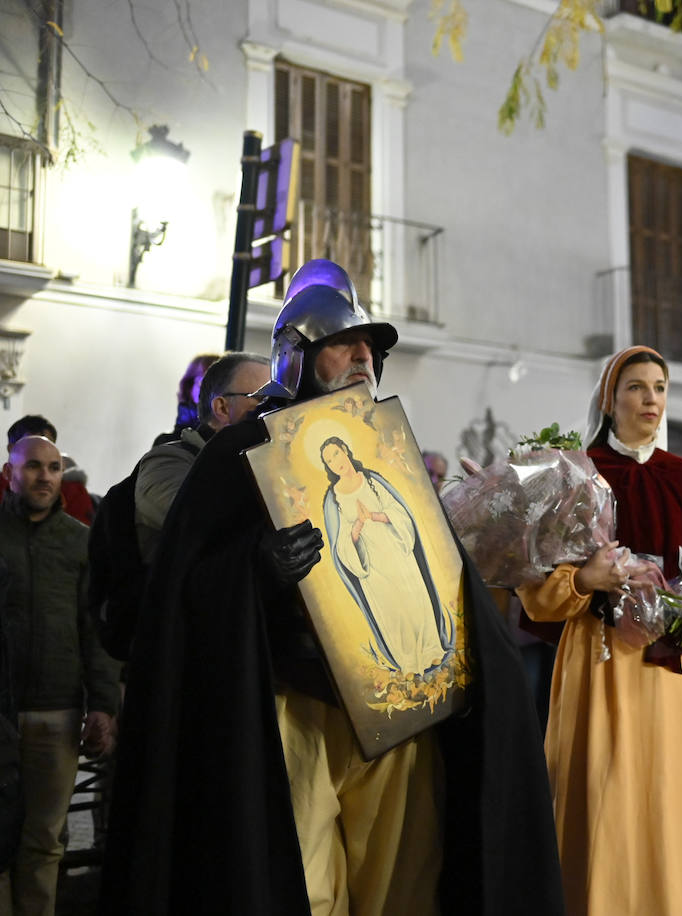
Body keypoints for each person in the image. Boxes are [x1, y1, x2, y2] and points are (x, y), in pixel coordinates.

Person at [101, 260, 561, 916]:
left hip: (401, 715)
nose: (363, 357)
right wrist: (256, 571)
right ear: (297, 354)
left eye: (370, 347)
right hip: (294, 713)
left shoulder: (392, 456)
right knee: (302, 890)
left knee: (404, 887)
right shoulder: (234, 459)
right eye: (345, 343)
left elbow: (439, 577)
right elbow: (183, 595)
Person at [515, 345, 682, 916]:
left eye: (660, 387)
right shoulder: (575, 477)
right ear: (610, 398)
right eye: (637, 387)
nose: (651, 399)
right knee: (610, 791)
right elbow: (538, 591)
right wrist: (586, 578)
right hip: (602, 660)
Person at [0, 436, 120, 915]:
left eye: (53, 468)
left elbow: (94, 630)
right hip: (1, 716)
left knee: (45, 839)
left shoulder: (79, 540)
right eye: (33, 467)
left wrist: (105, 706)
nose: (44, 477)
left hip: (58, 713)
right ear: (10, 472)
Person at [318, 435, 454, 674]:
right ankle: (410, 664)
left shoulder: (371, 480)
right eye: (329, 460)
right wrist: (358, 525)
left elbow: (399, 513)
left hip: (397, 553)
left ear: (345, 450)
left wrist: (374, 516)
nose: (335, 461)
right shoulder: (334, 499)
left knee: (414, 602)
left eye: (336, 453)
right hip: (372, 567)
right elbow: (340, 545)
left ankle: (431, 651)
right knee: (393, 612)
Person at [133, 352, 271, 563]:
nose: (274, 410)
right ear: (222, 408)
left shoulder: (265, 464)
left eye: (281, 401)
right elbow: (193, 519)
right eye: (263, 399)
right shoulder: (167, 461)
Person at [4, 415, 95, 526]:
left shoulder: (72, 491)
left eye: (47, 444)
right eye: (31, 444)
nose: (44, 477)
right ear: (11, 448)